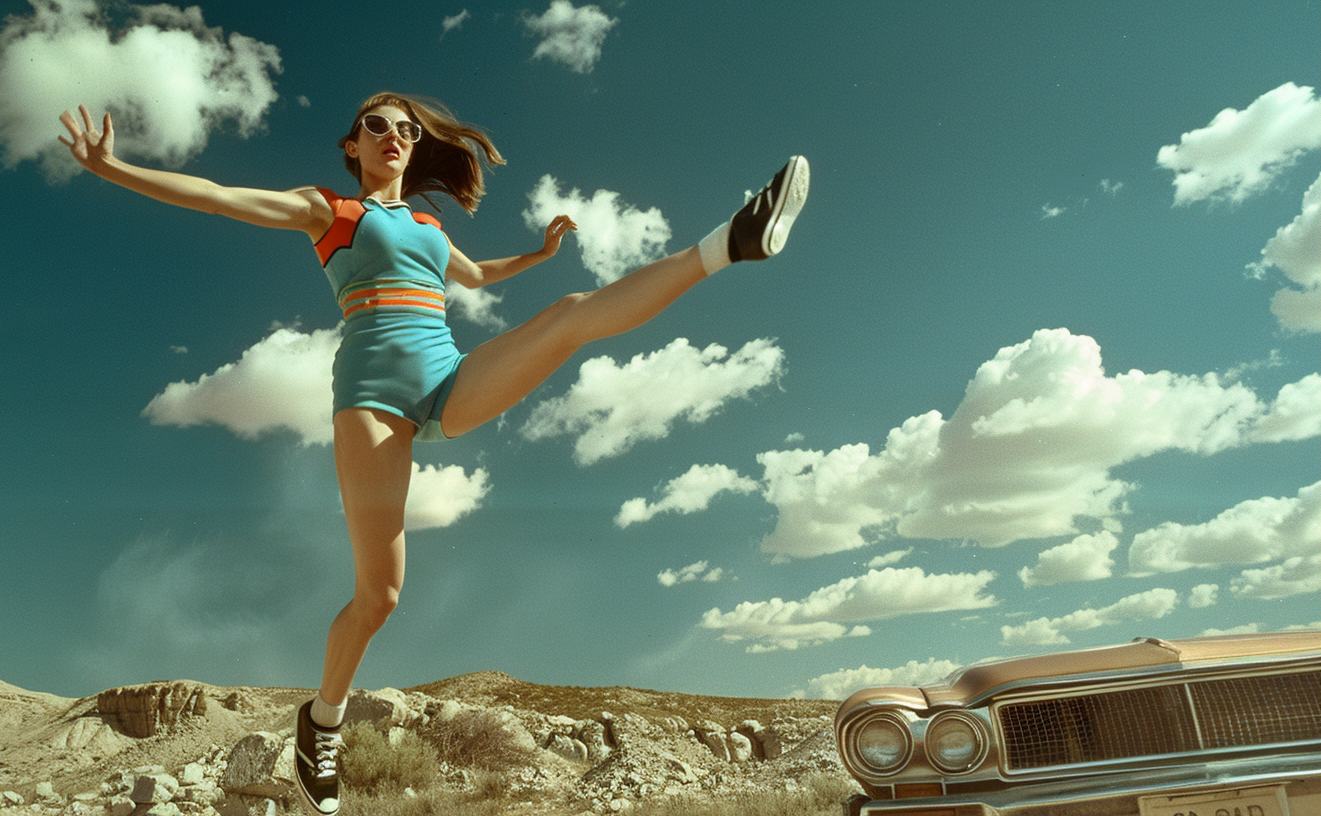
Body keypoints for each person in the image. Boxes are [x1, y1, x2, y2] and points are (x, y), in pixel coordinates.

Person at [59, 92, 808, 816]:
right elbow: (221, 196)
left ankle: (730, 242)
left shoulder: (425, 221)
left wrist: (540, 253)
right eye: (377, 126)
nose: (395, 136)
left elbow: (476, 277)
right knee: (381, 595)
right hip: (372, 400)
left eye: (409, 132)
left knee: (571, 317)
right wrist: (115, 169)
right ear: (352, 145)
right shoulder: (330, 208)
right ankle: (320, 722)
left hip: (448, 381)